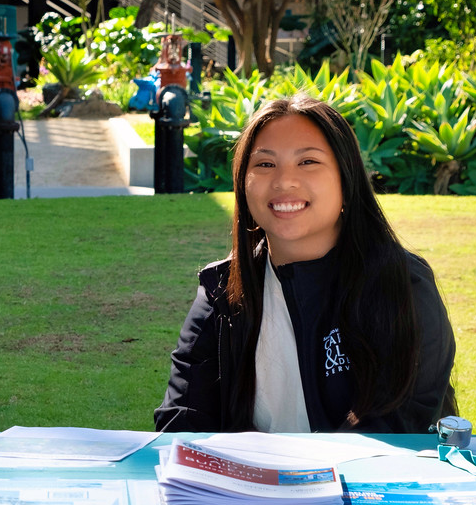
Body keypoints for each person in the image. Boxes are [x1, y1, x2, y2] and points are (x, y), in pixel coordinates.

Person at [155, 94, 456, 434]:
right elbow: (181, 424)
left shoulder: (403, 286)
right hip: (247, 472)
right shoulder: (221, 294)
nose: (284, 181)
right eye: (265, 164)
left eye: (308, 161)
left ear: (346, 180)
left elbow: (400, 424)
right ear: (242, 184)